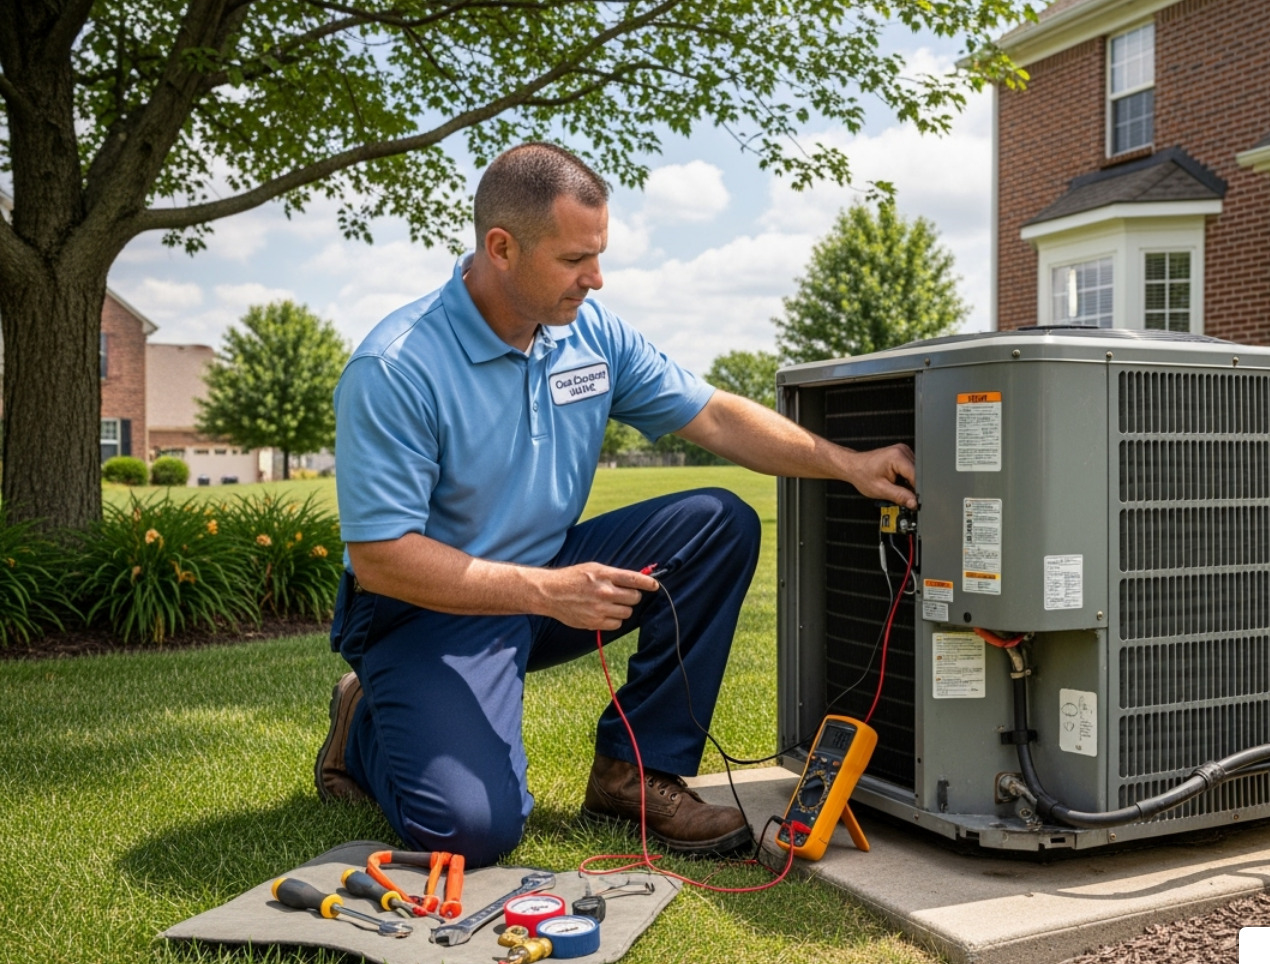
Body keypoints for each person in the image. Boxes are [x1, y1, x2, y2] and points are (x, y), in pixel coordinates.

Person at [318, 141, 915, 868]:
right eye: (575, 260)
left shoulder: (589, 335)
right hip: (426, 607)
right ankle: (363, 724)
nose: (595, 279)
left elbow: (716, 417)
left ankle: (633, 773)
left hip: (544, 581)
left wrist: (846, 464)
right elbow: (382, 560)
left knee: (716, 523)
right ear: (501, 248)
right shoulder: (397, 367)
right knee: (473, 831)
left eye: (597, 255)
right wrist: (547, 591)